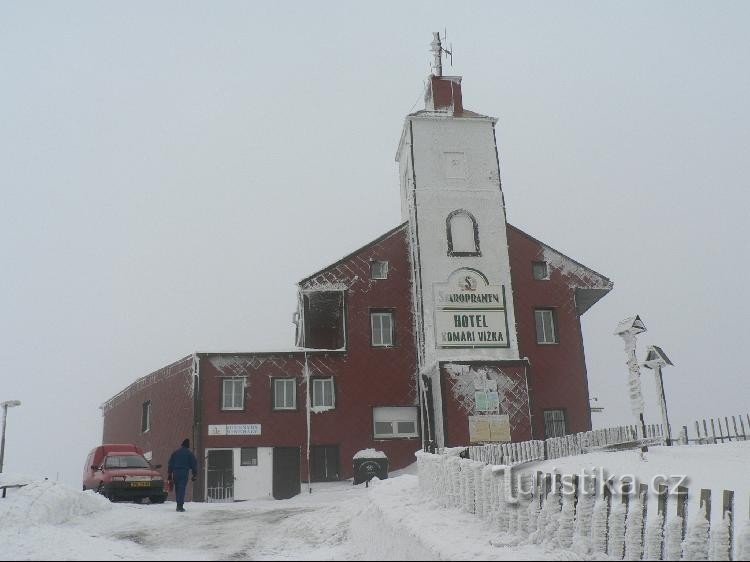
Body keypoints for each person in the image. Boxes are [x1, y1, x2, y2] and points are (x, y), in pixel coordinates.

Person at [167, 438, 198, 512]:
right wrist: (194, 474)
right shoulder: (189, 453)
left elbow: (170, 464)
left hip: (175, 473)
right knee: (182, 488)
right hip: (184, 472)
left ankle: (178, 504)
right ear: (188, 446)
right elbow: (194, 464)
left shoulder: (175, 453)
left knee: (177, 488)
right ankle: (180, 506)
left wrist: (169, 474)